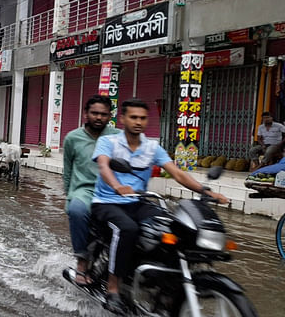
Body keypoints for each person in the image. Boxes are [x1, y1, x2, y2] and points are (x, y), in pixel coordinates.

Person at [91, 99, 229, 313]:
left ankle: (165, 290)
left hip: (138, 202)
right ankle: (113, 288)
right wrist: (117, 186)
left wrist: (205, 191)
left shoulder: (152, 147)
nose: (138, 122)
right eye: (134, 117)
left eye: (143, 118)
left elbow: (178, 173)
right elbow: (103, 166)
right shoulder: (108, 142)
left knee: (172, 229)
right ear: (123, 119)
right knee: (127, 229)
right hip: (108, 202)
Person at [62, 95, 120, 286]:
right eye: (94, 113)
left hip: (112, 191)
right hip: (84, 190)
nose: (99, 117)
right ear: (85, 113)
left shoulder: (118, 136)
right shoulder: (72, 138)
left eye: (103, 114)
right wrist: (69, 197)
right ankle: (82, 261)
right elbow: (68, 170)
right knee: (77, 211)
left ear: (109, 116)